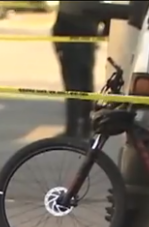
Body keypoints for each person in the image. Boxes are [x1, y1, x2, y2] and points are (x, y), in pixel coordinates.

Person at [52, 1, 102, 139]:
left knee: (73, 88)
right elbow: (103, 14)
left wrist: (58, 44)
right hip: (87, 43)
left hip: (71, 45)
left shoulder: (70, 6)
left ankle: (73, 130)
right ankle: (86, 127)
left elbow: (61, 21)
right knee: (86, 85)